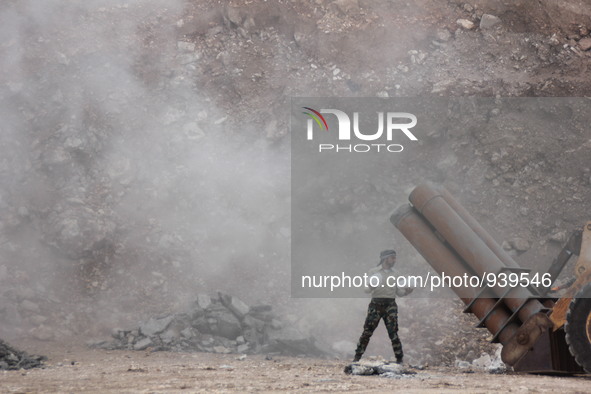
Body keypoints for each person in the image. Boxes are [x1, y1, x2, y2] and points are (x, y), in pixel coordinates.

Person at [353, 249, 413, 363]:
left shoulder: (396, 274)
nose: (394, 260)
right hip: (376, 304)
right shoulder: (374, 272)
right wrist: (371, 286)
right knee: (367, 332)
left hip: (390, 305)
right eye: (392, 258)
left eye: (395, 258)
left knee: (393, 333)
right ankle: (357, 358)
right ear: (386, 259)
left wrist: (406, 292)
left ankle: (399, 359)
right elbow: (365, 290)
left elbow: (399, 292)